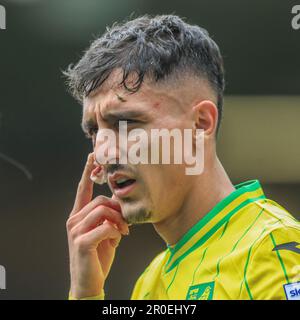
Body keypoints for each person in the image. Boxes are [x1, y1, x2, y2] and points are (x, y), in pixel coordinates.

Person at [64, 15, 300, 300]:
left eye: (126, 124)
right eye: (94, 132)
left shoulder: (273, 248)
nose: (102, 153)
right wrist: (86, 294)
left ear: (201, 124)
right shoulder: (148, 284)